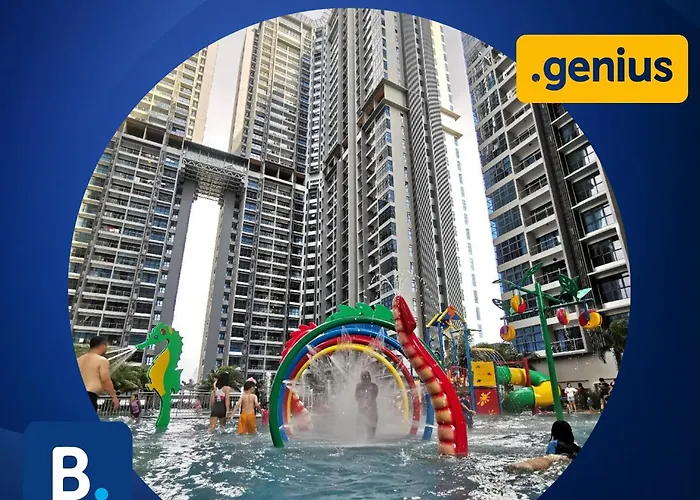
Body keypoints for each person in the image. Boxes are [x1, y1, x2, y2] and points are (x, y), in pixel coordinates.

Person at [507, 420, 581, 472]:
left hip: (555, 462)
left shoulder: (553, 444)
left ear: (554, 433)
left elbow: (549, 458)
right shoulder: (576, 447)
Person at [77, 337, 119, 413]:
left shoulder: (79, 359)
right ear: (102, 345)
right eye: (106, 346)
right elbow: (105, 379)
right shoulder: (102, 360)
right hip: (90, 395)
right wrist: (114, 397)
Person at [355, 371, 379, 439]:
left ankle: (369, 439)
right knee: (360, 431)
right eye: (364, 377)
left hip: (371, 412)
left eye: (367, 376)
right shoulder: (359, 386)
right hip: (363, 411)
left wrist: (367, 406)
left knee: (371, 434)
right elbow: (357, 397)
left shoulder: (374, 386)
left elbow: (373, 397)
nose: (366, 378)